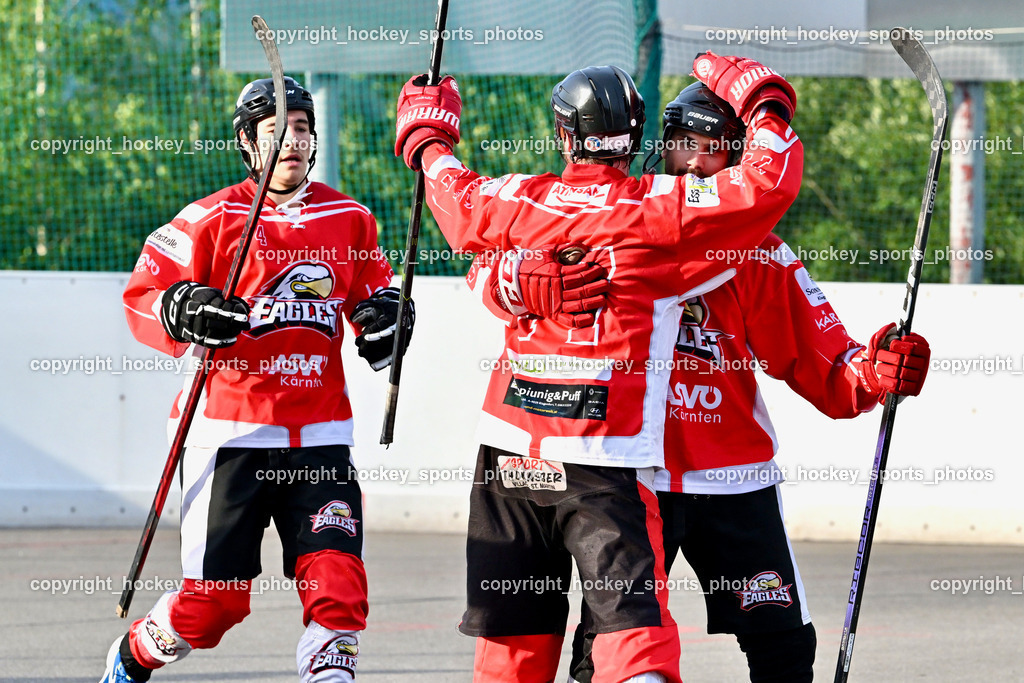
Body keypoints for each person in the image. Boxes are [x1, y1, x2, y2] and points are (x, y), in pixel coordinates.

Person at [496, 82, 931, 682]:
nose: (694, 159)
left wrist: (880, 373)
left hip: (733, 478)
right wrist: (514, 278)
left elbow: (831, 369)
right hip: (628, 474)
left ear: (737, 159)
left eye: (712, 146)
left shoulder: (759, 255)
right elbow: (494, 259)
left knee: (783, 648)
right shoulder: (611, 216)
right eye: (681, 142)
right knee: (613, 648)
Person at [393, 53, 803, 682]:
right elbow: (766, 186)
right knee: (634, 649)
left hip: (507, 454)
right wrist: (764, 101)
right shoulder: (662, 211)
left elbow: (456, 199)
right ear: (640, 138)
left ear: (563, 133)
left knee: (511, 655)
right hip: (603, 462)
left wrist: (425, 136)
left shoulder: (514, 197)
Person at [101, 76, 413, 683]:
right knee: (214, 608)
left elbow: (376, 304)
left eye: (302, 128)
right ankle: (132, 654)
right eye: (277, 130)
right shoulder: (211, 218)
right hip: (228, 438)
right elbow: (141, 295)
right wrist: (180, 307)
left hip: (320, 438)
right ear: (247, 142)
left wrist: (389, 320)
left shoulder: (350, 220)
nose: (292, 141)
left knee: (338, 584)